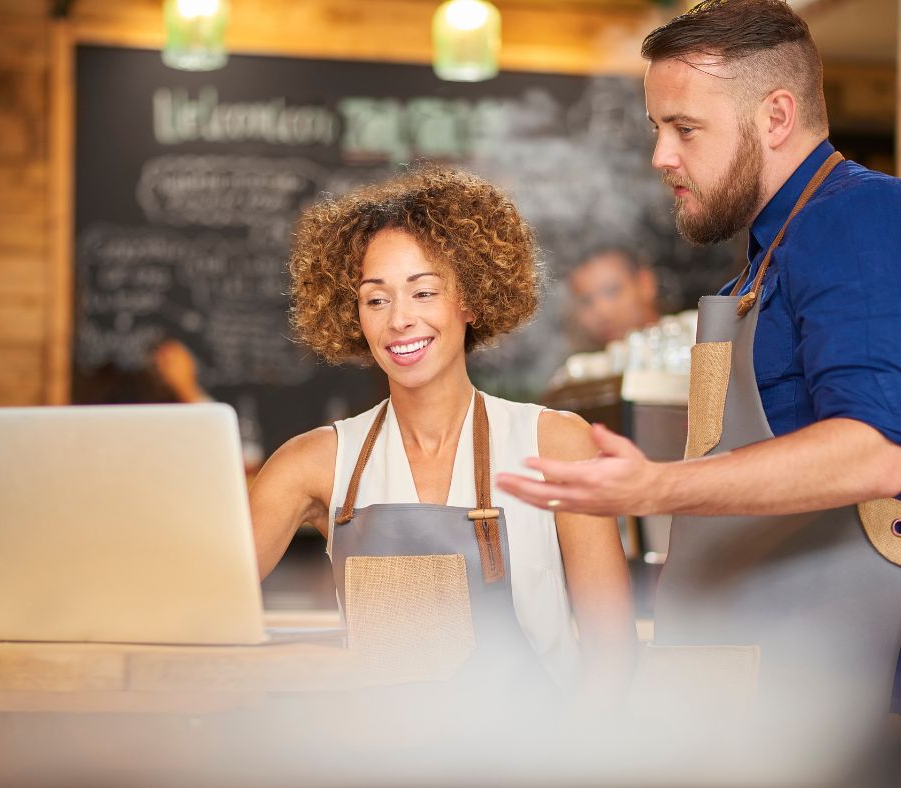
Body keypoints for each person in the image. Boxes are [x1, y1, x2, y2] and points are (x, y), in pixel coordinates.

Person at [496, 0, 901, 763]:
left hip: (836, 700)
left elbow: (876, 449)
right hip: (760, 683)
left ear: (776, 116)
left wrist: (654, 488)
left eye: (685, 128)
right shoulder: (768, 255)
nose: (661, 157)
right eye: (657, 129)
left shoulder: (857, 220)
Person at [249, 166, 637, 702]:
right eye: (376, 299)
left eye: (424, 292)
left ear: (470, 301)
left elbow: (612, 657)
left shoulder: (556, 445)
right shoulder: (313, 463)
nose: (400, 320)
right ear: (353, 315)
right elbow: (206, 602)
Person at [566, 246, 659, 352]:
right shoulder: (582, 365)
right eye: (586, 301)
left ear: (645, 283)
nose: (602, 311)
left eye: (612, 291)